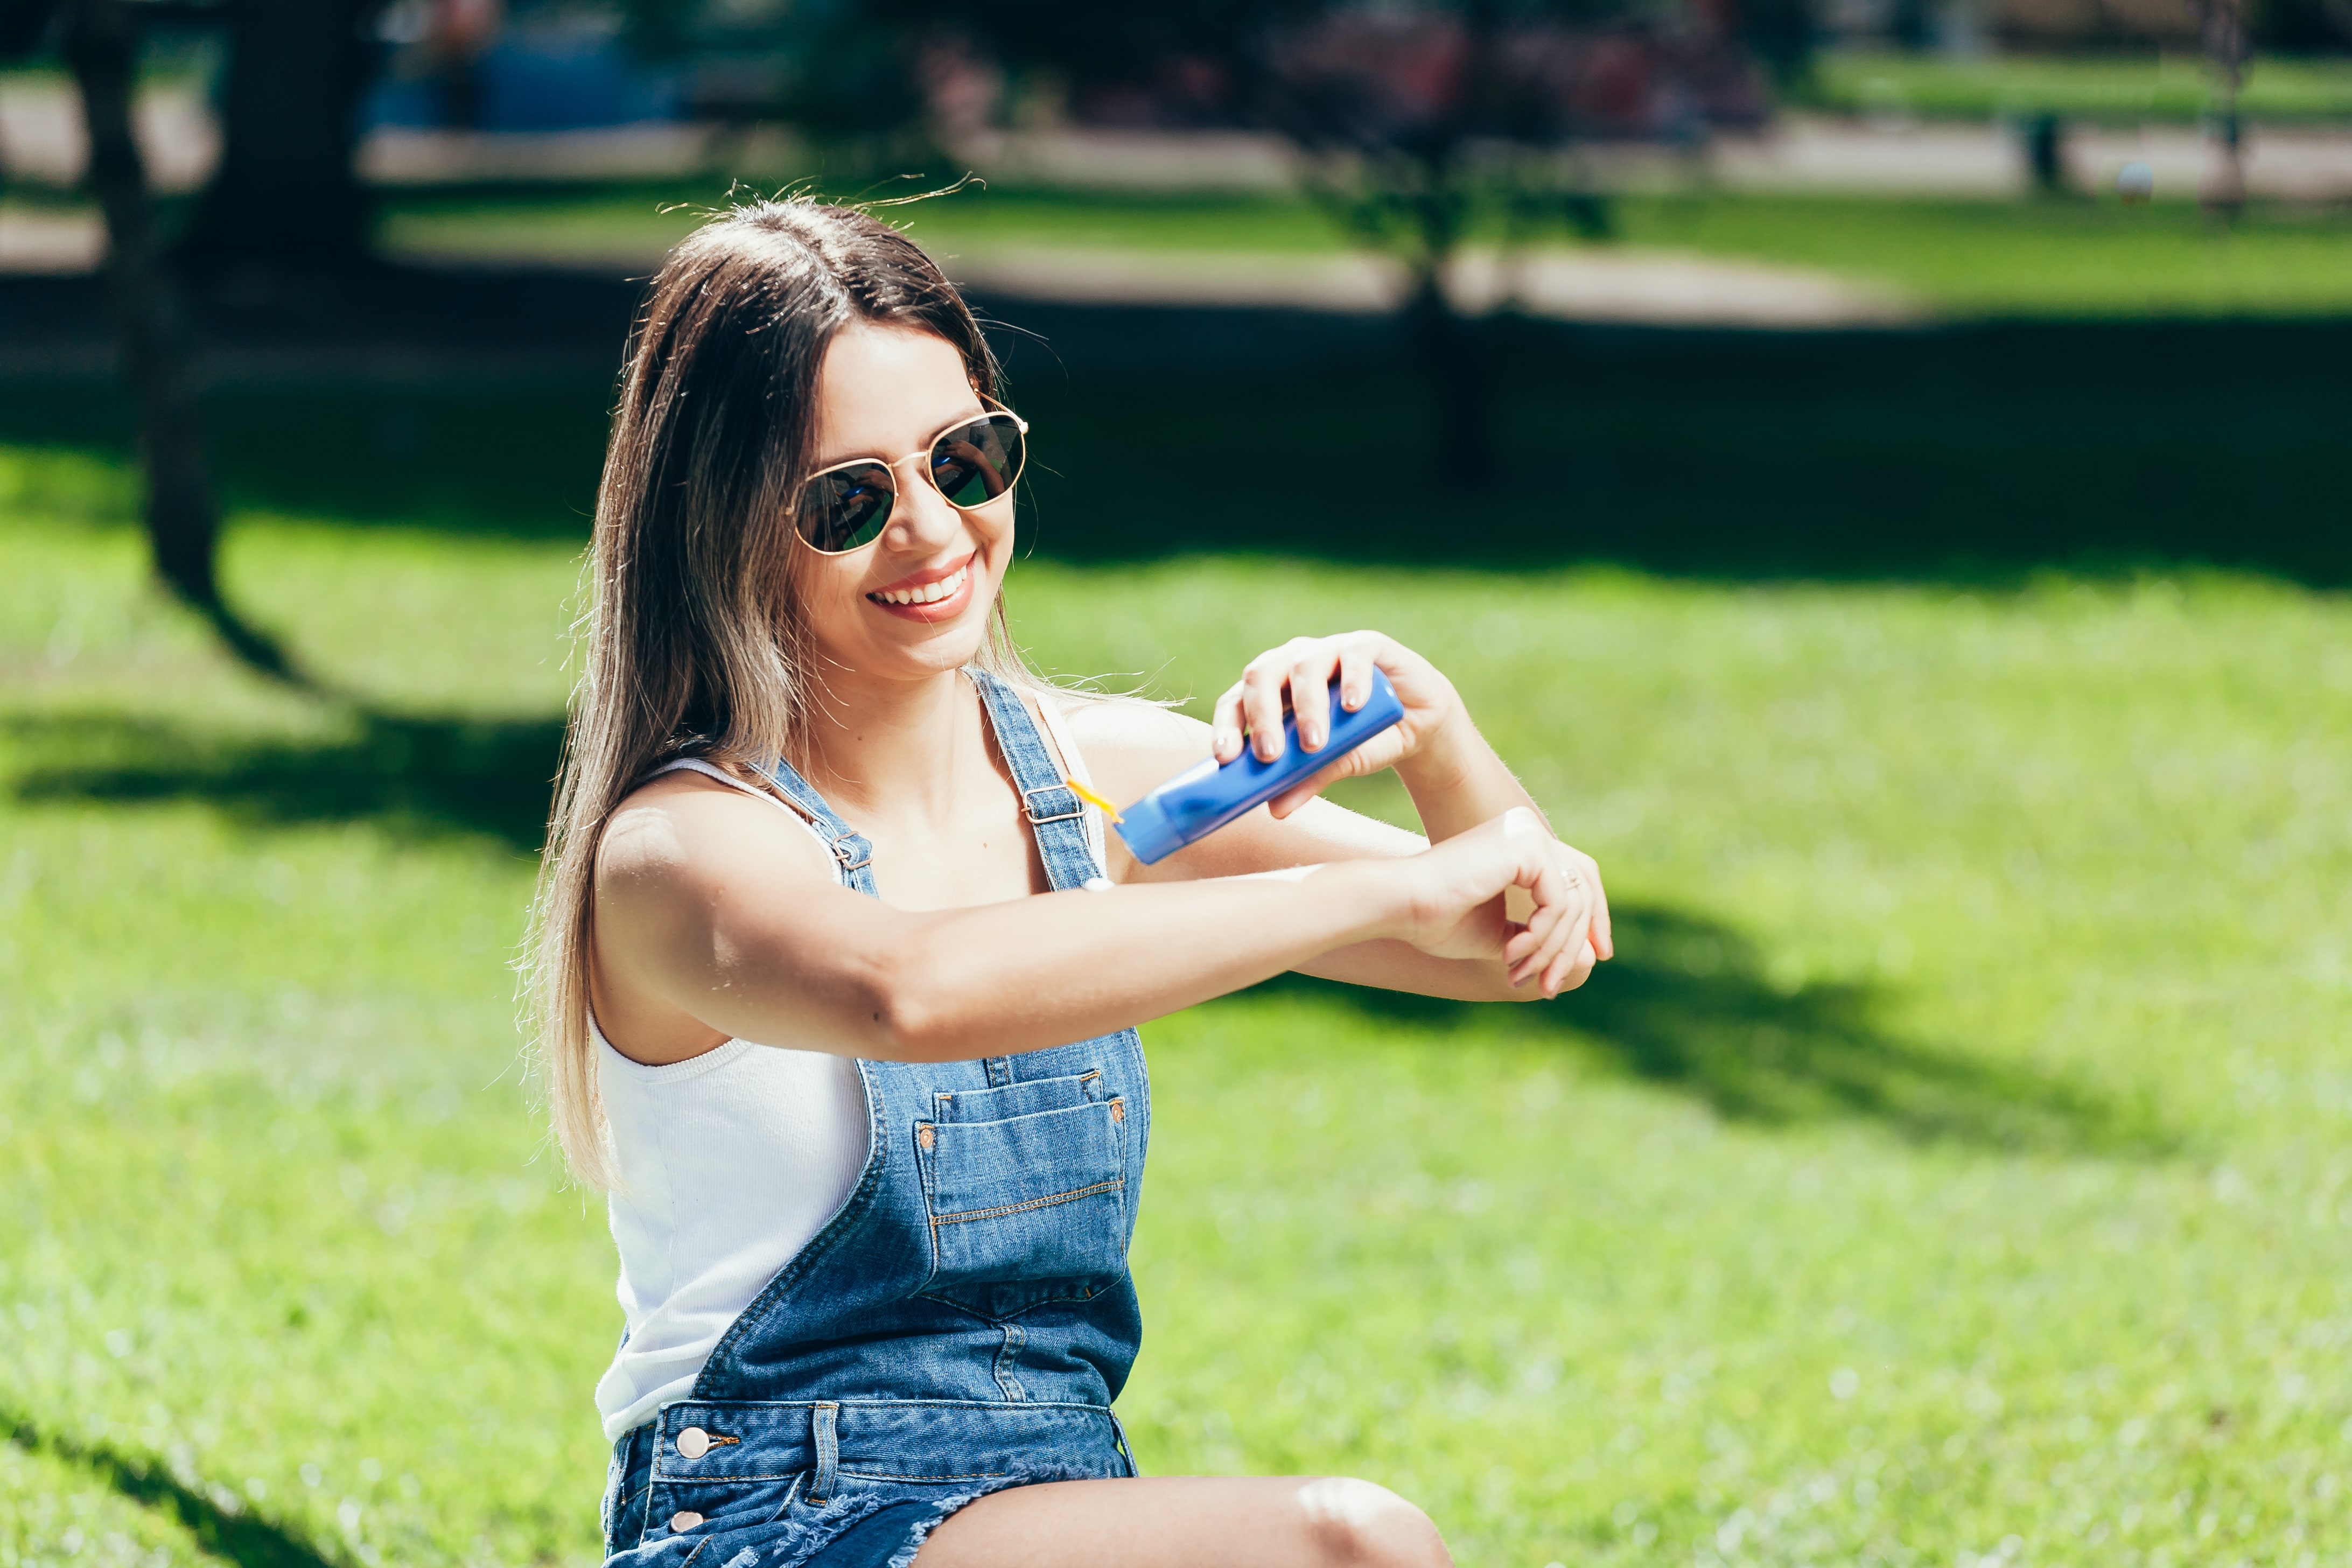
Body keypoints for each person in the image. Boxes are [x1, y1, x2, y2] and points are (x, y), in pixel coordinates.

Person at [528, 198, 1613, 1568]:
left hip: (1055, 1505)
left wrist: (1433, 726)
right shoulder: (683, 853)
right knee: (1349, 1544)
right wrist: (1384, 893)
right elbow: (908, 988)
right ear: (724, 526)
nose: (931, 531)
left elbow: (1511, 937)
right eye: (847, 500)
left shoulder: (1098, 785)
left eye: (964, 459)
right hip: (771, 1520)